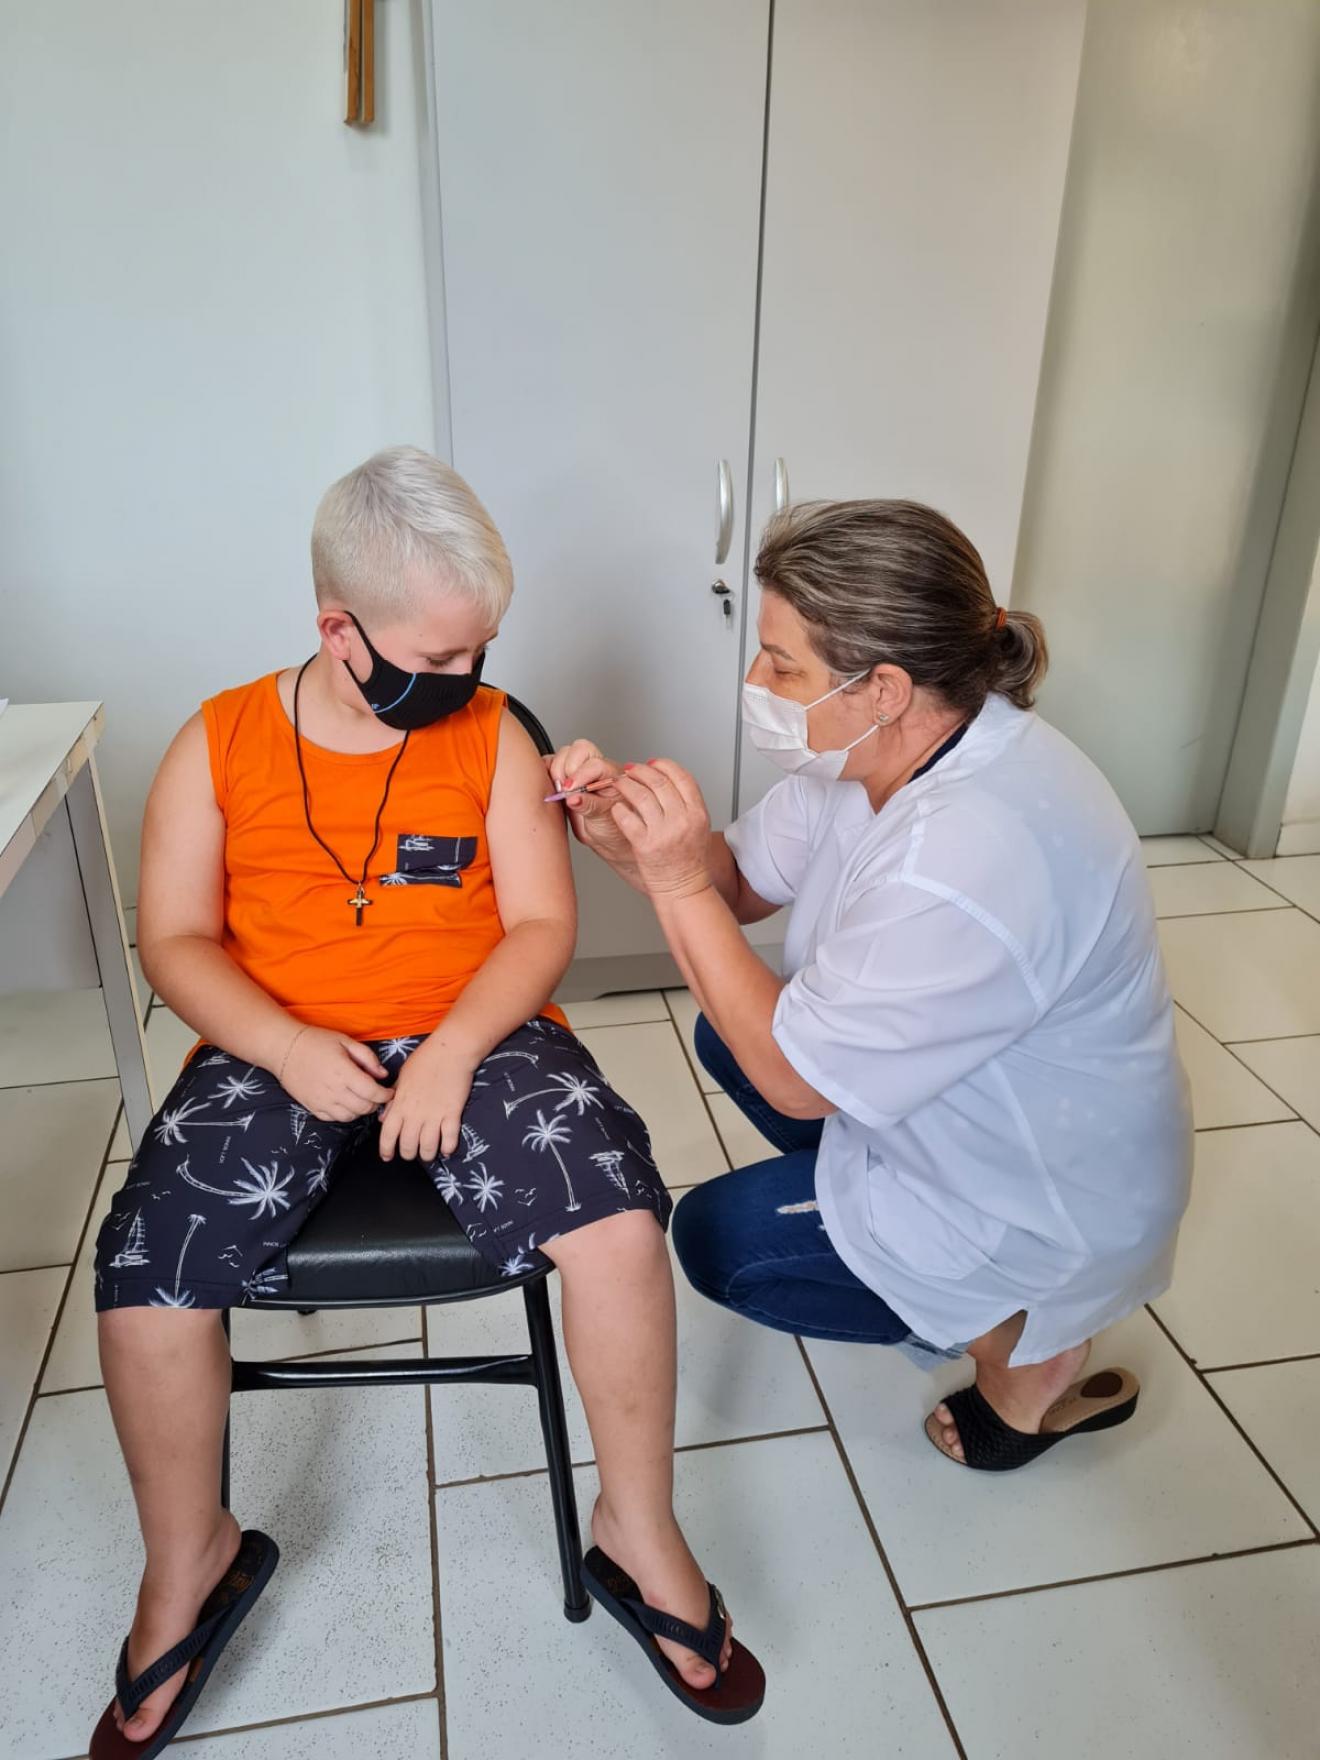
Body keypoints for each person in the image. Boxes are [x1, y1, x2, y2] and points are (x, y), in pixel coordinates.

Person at [91, 447, 763, 1756]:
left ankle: (637, 1527)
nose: (469, 678)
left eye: (482, 649)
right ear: (337, 629)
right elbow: (171, 939)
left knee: (619, 1229)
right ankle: (190, 1554)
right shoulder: (215, 743)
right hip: (275, 1039)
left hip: (480, 1029)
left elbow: (541, 924)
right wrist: (286, 1044)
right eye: (440, 655)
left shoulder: (493, 734)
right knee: (147, 1275)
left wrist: (453, 1048)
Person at [549, 497, 1192, 1478]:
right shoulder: (886, 747)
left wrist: (673, 883)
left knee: (722, 1240)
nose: (755, 682)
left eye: (782, 666)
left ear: (883, 687)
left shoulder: (966, 854)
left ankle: (1024, 1343)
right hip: (964, 1098)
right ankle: (937, 1262)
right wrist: (633, 843)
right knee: (728, 1029)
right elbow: (738, 885)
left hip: (1043, 1187)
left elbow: (796, 1079)